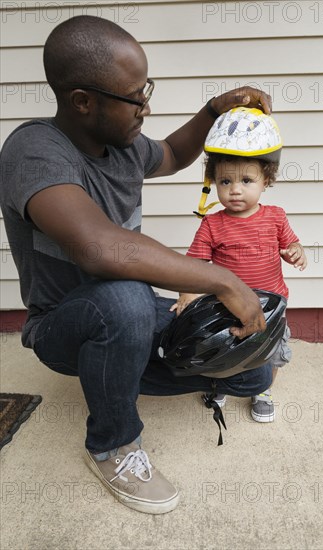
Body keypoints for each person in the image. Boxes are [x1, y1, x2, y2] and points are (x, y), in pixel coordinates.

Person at [0, 15, 276, 515]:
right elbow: (99, 249)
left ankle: (121, 372)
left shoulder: (123, 146)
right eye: (134, 96)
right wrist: (224, 279)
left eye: (145, 89)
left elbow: (173, 152)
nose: (145, 106)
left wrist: (215, 108)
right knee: (125, 297)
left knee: (252, 372)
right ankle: (113, 443)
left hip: (132, 310)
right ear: (83, 101)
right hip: (66, 325)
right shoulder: (35, 151)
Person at [171, 107, 307, 422]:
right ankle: (224, 380)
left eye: (246, 180)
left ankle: (262, 390)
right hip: (225, 303)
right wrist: (186, 295)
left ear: (266, 180)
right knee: (225, 343)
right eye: (225, 181)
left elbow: (291, 243)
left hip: (268, 303)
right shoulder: (213, 225)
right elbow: (194, 263)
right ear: (214, 183)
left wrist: (296, 251)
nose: (235, 189)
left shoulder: (275, 217)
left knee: (264, 348)